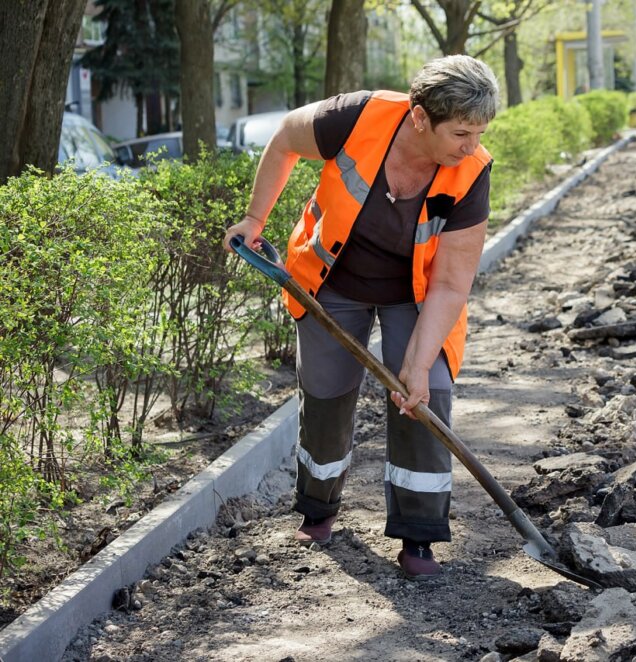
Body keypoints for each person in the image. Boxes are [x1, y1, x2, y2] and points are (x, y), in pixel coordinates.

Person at [223, 55, 498, 580]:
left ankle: (419, 536)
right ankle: (318, 508)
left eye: (480, 132)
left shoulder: (472, 172)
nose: (472, 145)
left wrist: (416, 364)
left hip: (415, 294)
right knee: (325, 392)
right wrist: (255, 218)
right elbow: (283, 138)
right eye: (461, 132)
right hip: (333, 281)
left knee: (426, 393)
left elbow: (450, 283)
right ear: (420, 117)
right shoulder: (356, 116)